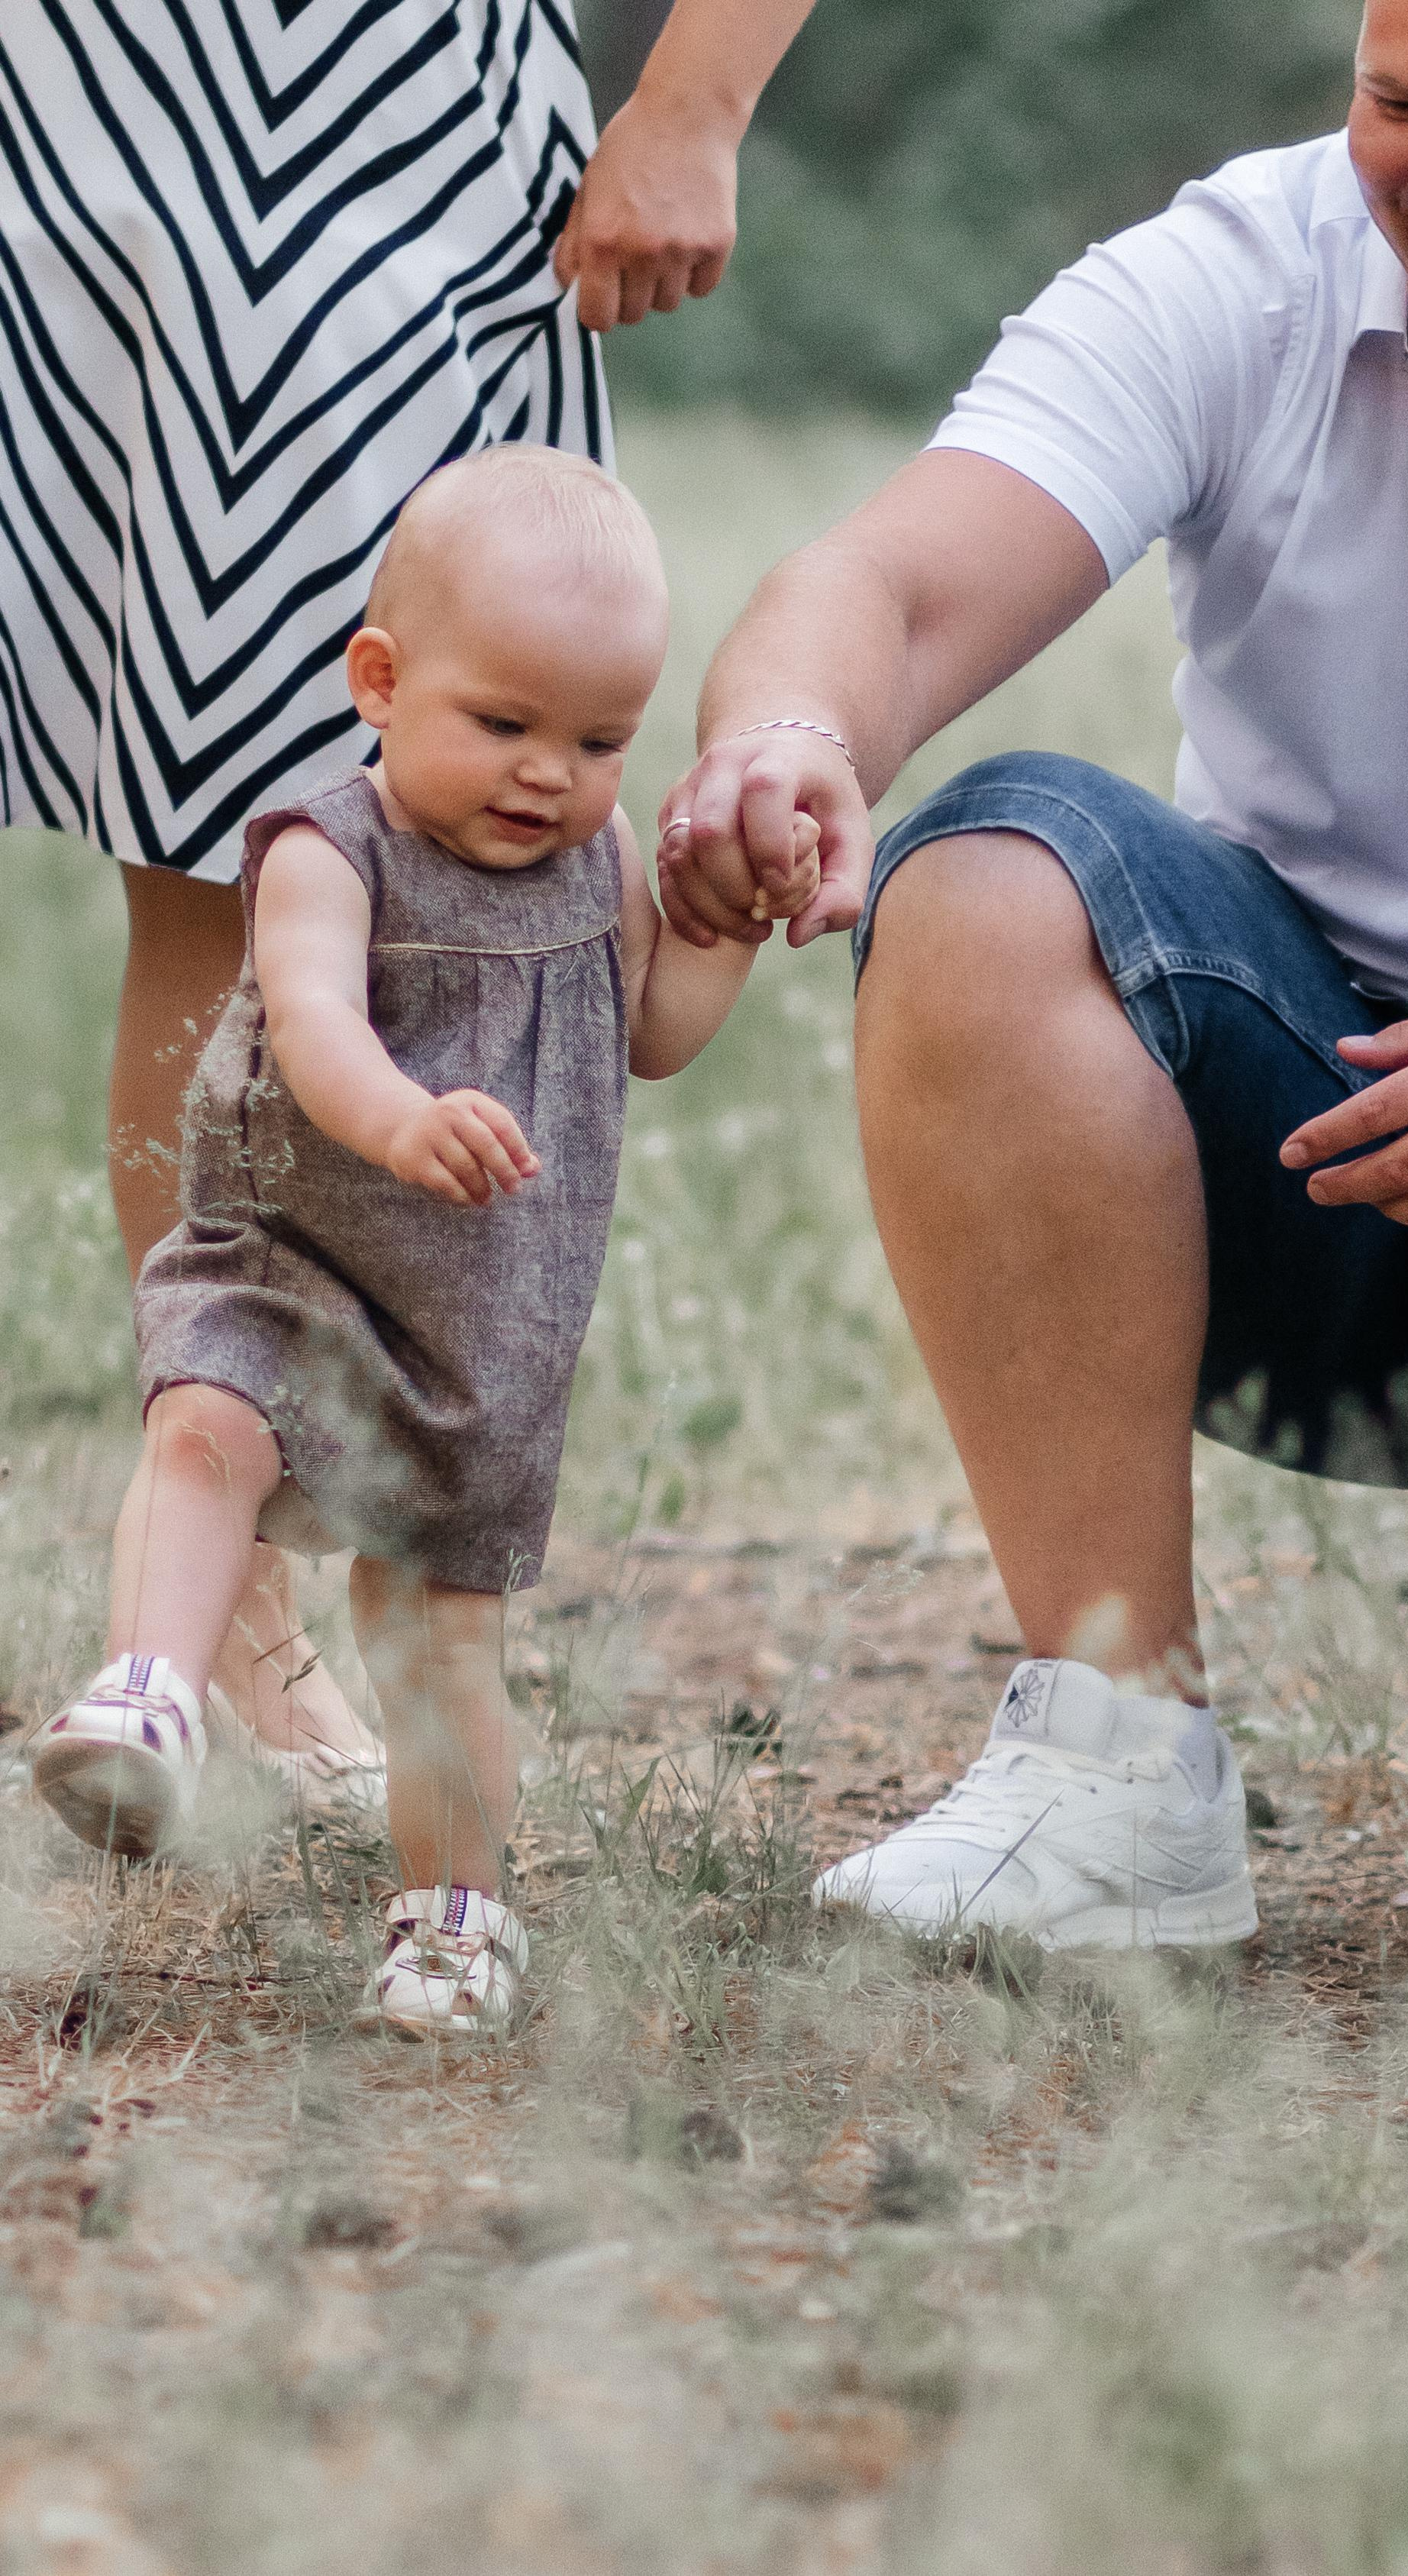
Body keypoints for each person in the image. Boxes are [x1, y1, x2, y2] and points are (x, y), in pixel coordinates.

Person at [654, 0, 1408, 1948]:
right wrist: (791, 732)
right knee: (981, 874)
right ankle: (1115, 1765)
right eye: (1401, 103)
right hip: (1299, 1117)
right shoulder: (1246, 271)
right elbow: (882, 584)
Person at [0, 0, 817, 1788]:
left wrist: (695, 97)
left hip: (394, 127)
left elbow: (660, 1017)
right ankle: (215, 1606)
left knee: (398, 774)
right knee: (208, 859)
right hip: (83, 106)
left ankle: (279, 1572)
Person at [29, 447, 817, 2035]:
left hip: (480, 1329)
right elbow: (313, 1020)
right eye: (506, 723)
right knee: (201, 1432)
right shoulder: (328, 847)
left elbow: (652, 1034)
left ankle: (454, 1917)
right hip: (289, 1258)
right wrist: (396, 1116)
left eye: (600, 737)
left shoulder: (604, 873)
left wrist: (723, 931)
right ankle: (150, 1696)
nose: (549, 772)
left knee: (442, 1641)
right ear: (380, 683)